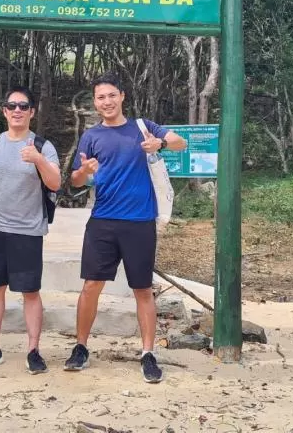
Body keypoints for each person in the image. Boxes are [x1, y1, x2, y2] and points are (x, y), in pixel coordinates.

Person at [65, 74, 186, 383]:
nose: (106, 101)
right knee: (91, 285)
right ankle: (80, 347)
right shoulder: (91, 136)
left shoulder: (142, 127)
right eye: (100, 97)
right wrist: (84, 171)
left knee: (142, 289)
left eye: (111, 95)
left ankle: (148, 353)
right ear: (95, 102)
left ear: (122, 96)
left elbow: (180, 142)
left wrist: (159, 143)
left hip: (140, 222)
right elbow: (77, 181)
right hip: (103, 221)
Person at [0, 86, 61, 375]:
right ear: (4, 111)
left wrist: (38, 160)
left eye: (23, 106)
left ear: (32, 112)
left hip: (28, 231)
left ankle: (33, 350)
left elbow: (56, 183)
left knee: (30, 291)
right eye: (12, 106)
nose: (17, 110)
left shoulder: (43, 146)